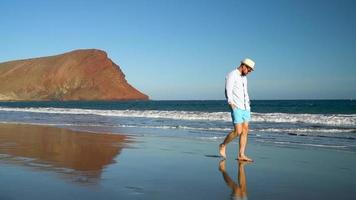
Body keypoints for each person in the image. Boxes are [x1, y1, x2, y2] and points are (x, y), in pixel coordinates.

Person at [219, 58, 255, 161]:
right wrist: (230, 103)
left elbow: (245, 92)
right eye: (249, 69)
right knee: (238, 131)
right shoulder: (232, 74)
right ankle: (223, 145)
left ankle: (241, 155)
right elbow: (228, 90)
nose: (249, 72)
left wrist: (248, 102)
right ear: (243, 65)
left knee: (245, 130)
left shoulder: (244, 78)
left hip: (246, 107)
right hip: (236, 107)